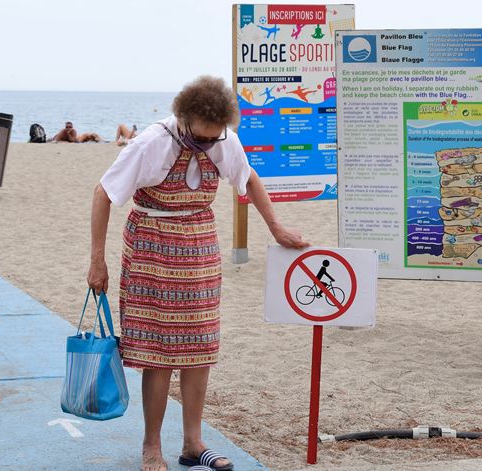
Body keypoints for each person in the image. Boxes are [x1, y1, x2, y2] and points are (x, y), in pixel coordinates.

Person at [87, 75, 308, 471]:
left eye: (214, 138)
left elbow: (249, 179)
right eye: (201, 137)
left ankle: (193, 443)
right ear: (184, 119)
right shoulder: (151, 143)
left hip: (200, 250)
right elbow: (103, 192)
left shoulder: (224, 140)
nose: (207, 144)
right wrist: (97, 260)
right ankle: (151, 447)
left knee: (198, 348)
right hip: (152, 250)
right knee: (157, 354)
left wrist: (276, 227)